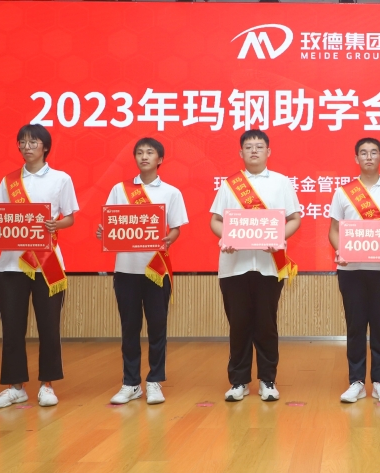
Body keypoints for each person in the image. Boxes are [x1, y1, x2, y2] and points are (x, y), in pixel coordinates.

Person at [0, 124, 80, 409]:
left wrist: (56, 224)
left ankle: (47, 384)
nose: (27, 147)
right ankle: (16, 386)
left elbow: (70, 217)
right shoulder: (9, 181)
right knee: (12, 327)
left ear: (45, 147)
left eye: (33, 142)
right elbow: (0, 215)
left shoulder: (61, 178)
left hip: (47, 263)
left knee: (49, 326)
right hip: (11, 264)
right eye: (22, 142)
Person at [210, 129, 301, 402]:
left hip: (269, 265)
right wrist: (225, 237)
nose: (253, 150)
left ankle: (267, 380)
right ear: (240, 152)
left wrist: (280, 238)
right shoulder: (229, 185)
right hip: (234, 266)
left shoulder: (282, 183)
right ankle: (238, 381)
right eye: (248, 147)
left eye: (259, 146)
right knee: (238, 325)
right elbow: (215, 220)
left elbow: (295, 218)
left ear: (268, 151)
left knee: (266, 324)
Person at [97, 138, 188, 405]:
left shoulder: (171, 192)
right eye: (139, 153)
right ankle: (131, 383)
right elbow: (110, 223)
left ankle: (154, 381)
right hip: (126, 270)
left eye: (150, 152)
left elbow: (176, 228)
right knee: (130, 328)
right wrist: (104, 232)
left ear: (160, 159)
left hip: (156, 269)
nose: (144, 156)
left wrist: (169, 239)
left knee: (157, 327)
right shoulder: (119, 190)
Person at [329, 138, 380, 404]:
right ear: (356, 159)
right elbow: (334, 230)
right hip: (350, 270)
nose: (369, 157)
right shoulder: (343, 192)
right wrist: (340, 250)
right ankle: (356, 382)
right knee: (355, 326)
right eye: (363, 153)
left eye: (374, 153)